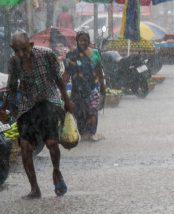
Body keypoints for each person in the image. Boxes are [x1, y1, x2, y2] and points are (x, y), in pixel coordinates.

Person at [1, 31, 75, 199]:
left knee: (51, 143)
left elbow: (58, 80)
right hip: (27, 106)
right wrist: (4, 108)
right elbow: (12, 87)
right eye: (17, 51)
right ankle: (35, 189)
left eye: (24, 49)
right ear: (12, 49)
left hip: (48, 101)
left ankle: (56, 171)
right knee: (25, 147)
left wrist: (66, 100)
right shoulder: (13, 62)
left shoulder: (46, 55)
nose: (21, 54)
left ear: (31, 45)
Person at [62, 32, 106, 142]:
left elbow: (99, 71)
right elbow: (67, 74)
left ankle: (91, 133)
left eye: (85, 40)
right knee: (79, 113)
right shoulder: (71, 55)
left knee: (92, 111)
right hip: (77, 89)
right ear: (77, 41)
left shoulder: (95, 53)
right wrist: (62, 90)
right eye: (81, 40)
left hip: (93, 89)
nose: (83, 42)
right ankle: (83, 134)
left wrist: (103, 88)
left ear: (89, 41)